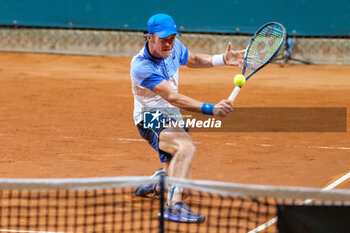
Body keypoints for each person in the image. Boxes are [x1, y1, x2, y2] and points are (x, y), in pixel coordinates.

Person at [130, 13, 244, 223]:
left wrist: (223, 59)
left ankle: (159, 181)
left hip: (171, 116)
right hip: (150, 117)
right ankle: (172, 208)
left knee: (186, 189)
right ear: (150, 38)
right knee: (186, 146)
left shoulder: (174, 47)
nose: (169, 44)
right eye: (163, 39)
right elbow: (173, 97)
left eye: (172, 38)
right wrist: (211, 109)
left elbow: (192, 59)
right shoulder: (141, 66)